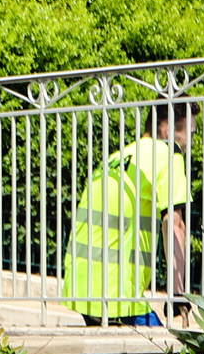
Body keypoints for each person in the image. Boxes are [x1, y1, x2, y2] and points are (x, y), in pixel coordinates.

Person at [61, 103, 193, 328]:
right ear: (168, 130)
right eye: (189, 134)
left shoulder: (120, 155)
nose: (190, 143)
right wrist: (178, 292)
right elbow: (174, 224)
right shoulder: (168, 154)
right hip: (116, 290)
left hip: (80, 285)